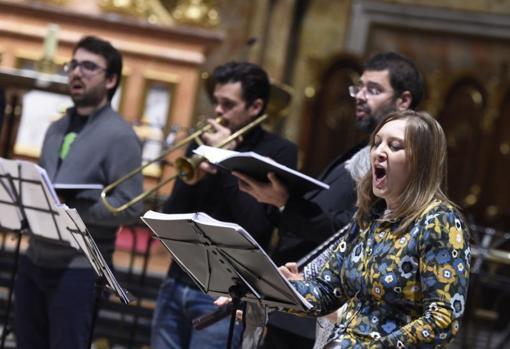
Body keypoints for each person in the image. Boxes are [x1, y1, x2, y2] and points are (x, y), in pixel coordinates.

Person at [233, 52, 425, 347]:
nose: (360, 96)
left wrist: (286, 202)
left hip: (324, 313)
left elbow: (350, 232)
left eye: (373, 90)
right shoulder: (357, 151)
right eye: (359, 87)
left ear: (403, 101)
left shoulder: (398, 168)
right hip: (297, 298)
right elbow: (330, 219)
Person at [282, 110, 471, 348]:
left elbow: (442, 321)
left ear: (421, 160)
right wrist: (271, 288)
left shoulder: (440, 221)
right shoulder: (370, 217)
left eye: (394, 146)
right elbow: (327, 292)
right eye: (376, 143)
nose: (379, 152)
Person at [151, 61, 298, 349]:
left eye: (228, 104)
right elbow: (170, 216)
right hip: (176, 280)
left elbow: (256, 226)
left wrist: (226, 161)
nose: (217, 111)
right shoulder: (201, 143)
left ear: (255, 107)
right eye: (216, 102)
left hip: (226, 295)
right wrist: (188, 184)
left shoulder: (279, 152)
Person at [14, 36, 143, 349]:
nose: (76, 73)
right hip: (34, 259)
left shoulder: (120, 136)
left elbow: (129, 206)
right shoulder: (56, 127)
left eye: (89, 67)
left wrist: (74, 211)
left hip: (80, 269)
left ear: (111, 80)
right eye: (73, 64)